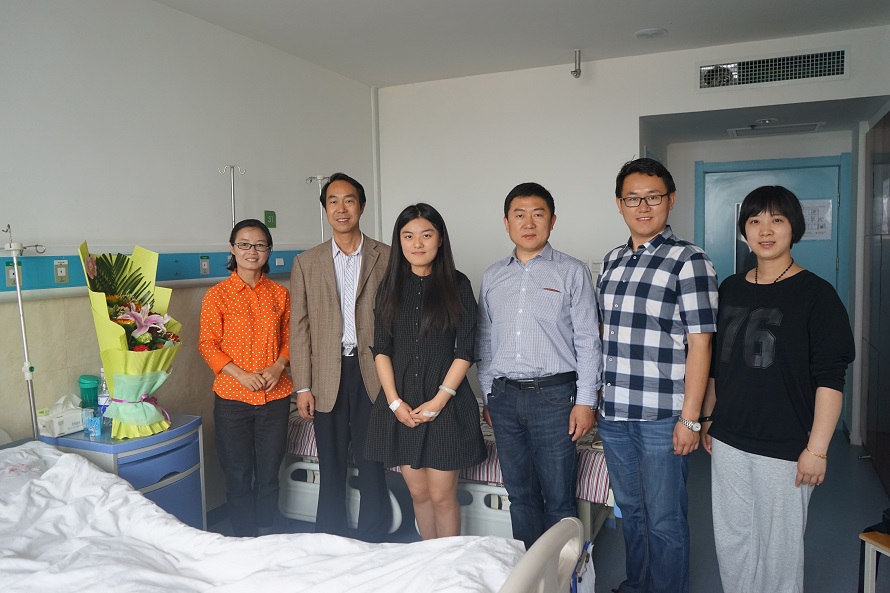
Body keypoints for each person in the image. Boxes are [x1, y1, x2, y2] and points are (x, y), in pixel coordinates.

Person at [701, 186, 855, 593]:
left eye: (777, 220)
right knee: (733, 540)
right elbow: (718, 364)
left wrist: (817, 449)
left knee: (779, 551)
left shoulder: (817, 295)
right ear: (744, 231)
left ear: (794, 228)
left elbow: (830, 378)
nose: (765, 230)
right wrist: (710, 416)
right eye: (755, 221)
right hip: (730, 438)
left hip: (785, 445)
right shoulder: (730, 288)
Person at [597, 158, 718, 593]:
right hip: (614, 413)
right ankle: (637, 584)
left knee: (665, 518)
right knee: (631, 512)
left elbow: (701, 345)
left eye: (653, 197)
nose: (643, 207)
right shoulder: (611, 261)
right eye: (633, 198)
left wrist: (691, 418)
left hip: (663, 416)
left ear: (671, 200)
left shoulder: (689, 260)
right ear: (619, 203)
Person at [476, 182, 601, 550]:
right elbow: (485, 339)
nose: (528, 223)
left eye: (537, 214)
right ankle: (529, 570)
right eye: (519, 215)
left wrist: (586, 401)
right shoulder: (493, 275)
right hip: (504, 397)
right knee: (520, 496)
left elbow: (588, 340)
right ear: (506, 223)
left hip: (555, 397)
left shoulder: (572, 271)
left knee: (559, 500)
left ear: (552, 220)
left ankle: (562, 574)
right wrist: (488, 394)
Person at [364, 203, 486, 540]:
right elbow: (381, 349)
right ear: (399, 241)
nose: (417, 243)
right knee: (419, 494)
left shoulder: (457, 284)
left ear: (440, 239)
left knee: (442, 496)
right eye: (408, 236)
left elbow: (466, 349)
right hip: (402, 403)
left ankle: (447, 566)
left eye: (426, 235)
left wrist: (439, 400)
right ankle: (428, 561)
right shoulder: (389, 287)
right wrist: (394, 402)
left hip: (445, 402)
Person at [290, 172, 392, 541]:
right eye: (333, 201)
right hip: (326, 376)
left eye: (349, 200)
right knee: (330, 462)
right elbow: (299, 327)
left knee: (372, 460)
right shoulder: (307, 262)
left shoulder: (387, 256)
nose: (341, 208)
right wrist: (303, 386)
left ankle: (374, 537)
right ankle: (328, 538)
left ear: (361, 206)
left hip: (372, 370)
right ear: (325, 209)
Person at [198, 218, 292, 537]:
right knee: (237, 475)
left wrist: (278, 366)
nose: (252, 251)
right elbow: (207, 344)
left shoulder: (280, 294)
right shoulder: (217, 295)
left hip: (275, 398)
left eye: (260, 245)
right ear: (232, 248)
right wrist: (240, 375)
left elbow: (291, 338)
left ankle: (266, 535)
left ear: (269, 250)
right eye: (244, 244)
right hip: (232, 399)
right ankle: (242, 540)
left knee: (268, 474)